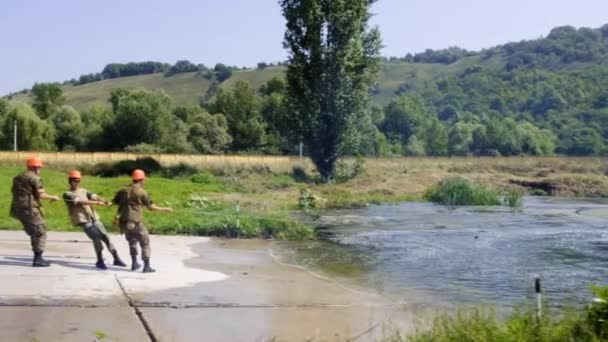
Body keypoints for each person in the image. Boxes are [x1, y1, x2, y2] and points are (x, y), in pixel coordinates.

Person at [63, 170, 127, 270]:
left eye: (78, 181)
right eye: (75, 181)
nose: (77, 183)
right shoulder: (67, 194)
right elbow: (79, 202)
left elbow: (94, 196)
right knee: (96, 238)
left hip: (93, 218)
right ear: (70, 181)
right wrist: (96, 203)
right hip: (83, 220)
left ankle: (116, 258)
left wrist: (104, 201)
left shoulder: (84, 191)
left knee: (106, 237)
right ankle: (99, 260)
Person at [112, 169, 172, 273]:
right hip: (136, 222)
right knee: (145, 242)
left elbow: (114, 202)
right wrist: (165, 209)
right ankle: (146, 266)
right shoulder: (142, 192)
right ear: (142, 180)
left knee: (132, 241)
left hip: (124, 222)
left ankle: (134, 263)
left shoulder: (122, 190)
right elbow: (151, 207)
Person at [10, 157, 60, 267]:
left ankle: (37, 256)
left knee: (34, 231)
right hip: (29, 209)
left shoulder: (17, 177)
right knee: (40, 231)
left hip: (17, 208)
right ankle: (38, 259)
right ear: (35, 168)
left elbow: (15, 192)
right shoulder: (35, 178)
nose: (40, 170)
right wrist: (53, 197)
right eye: (39, 168)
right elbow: (41, 194)